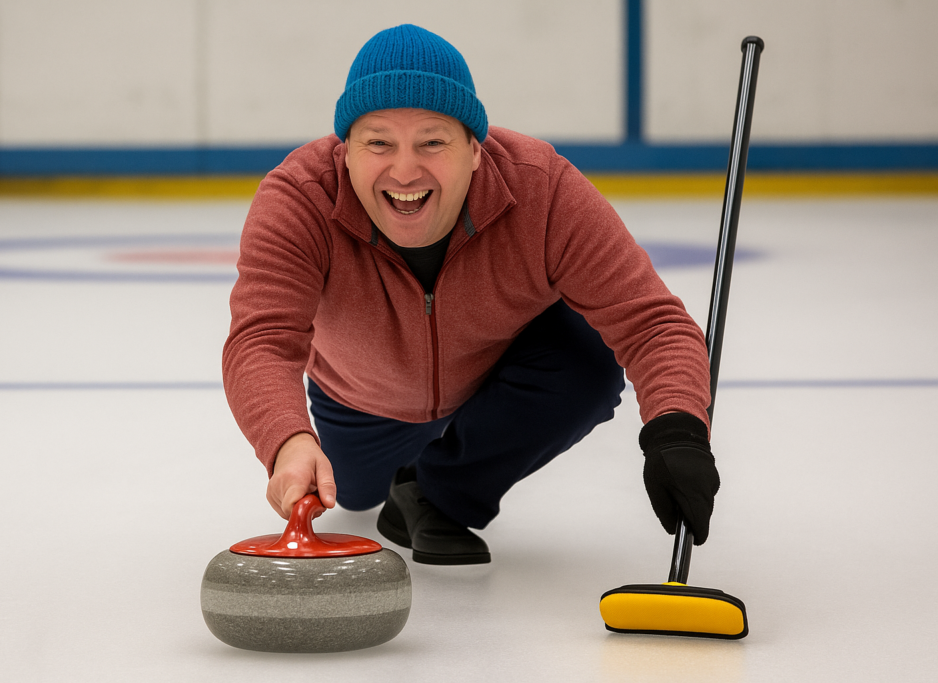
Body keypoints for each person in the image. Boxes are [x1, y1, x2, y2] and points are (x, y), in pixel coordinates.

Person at [223, 24, 720, 565]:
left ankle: (437, 490)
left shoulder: (542, 189)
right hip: (357, 398)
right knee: (358, 492)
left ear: (476, 150)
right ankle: (386, 473)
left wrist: (678, 431)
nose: (405, 169)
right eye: (378, 143)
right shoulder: (300, 198)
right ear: (345, 152)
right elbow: (262, 340)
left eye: (433, 141)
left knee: (587, 360)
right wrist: (288, 439)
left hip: (496, 386)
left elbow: (652, 323)